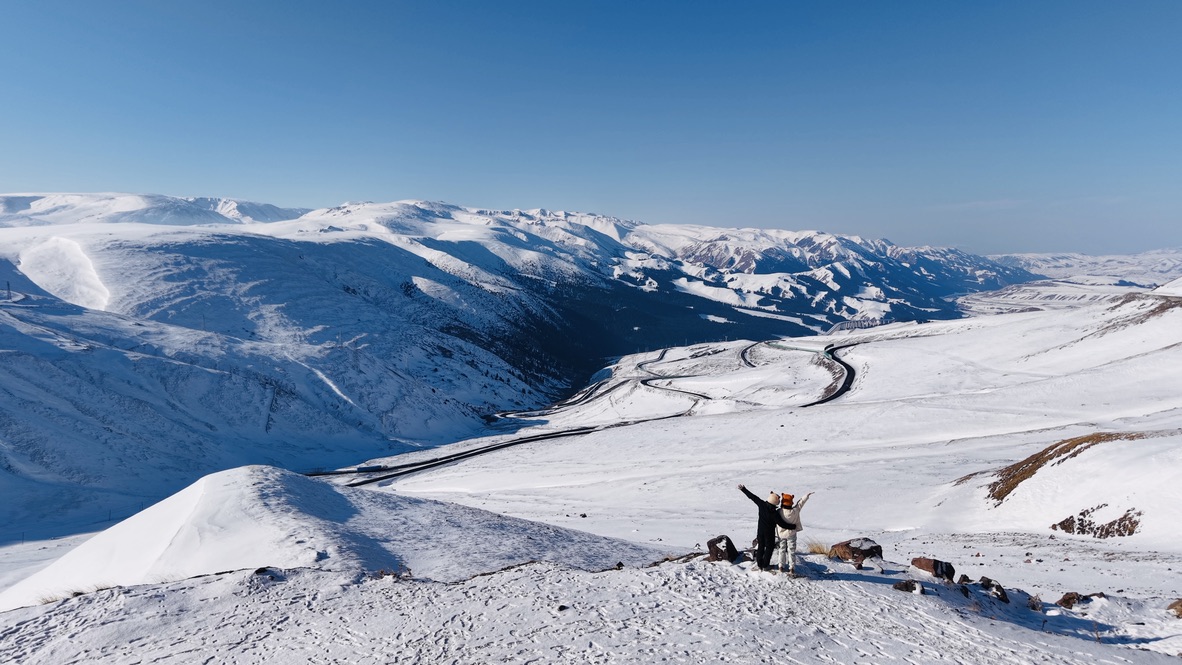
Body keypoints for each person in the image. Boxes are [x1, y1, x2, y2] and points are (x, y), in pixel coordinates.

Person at [737, 483, 794, 570]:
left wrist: (743, 489)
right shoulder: (775, 513)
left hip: (760, 532)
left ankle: (760, 564)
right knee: (769, 549)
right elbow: (782, 524)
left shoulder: (761, 504)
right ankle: (765, 565)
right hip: (769, 535)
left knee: (761, 547)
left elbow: (752, 497)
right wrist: (793, 526)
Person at [775, 491, 813, 576]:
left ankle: (781, 566)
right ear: (791, 502)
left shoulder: (779, 512)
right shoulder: (795, 511)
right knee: (791, 551)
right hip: (792, 534)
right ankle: (791, 568)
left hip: (781, 534)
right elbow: (800, 503)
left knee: (782, 550)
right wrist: (806, 495)